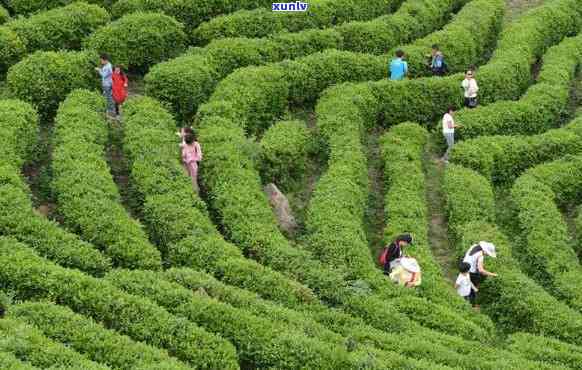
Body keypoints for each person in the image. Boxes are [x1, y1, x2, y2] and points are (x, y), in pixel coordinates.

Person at [462, 241, 498, 306]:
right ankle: (472, 306)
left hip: (464, 266)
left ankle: (467, 297)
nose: (488, 255)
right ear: (485, 250)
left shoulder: (474, 246)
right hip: (470, 272)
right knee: (472, 289)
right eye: (488, 253)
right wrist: (493, 274)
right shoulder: (481, 256)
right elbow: (481, 270)